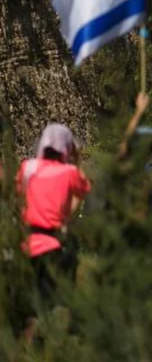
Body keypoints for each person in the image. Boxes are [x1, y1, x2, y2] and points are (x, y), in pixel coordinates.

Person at [16, 124, 91, 339]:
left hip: (26, 243)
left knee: (31, 303)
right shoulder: (69, 172)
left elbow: (19, 194)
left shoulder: (27, 168)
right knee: (53, 301)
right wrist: (76, 160)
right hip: (54, 245)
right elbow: (84, 188)